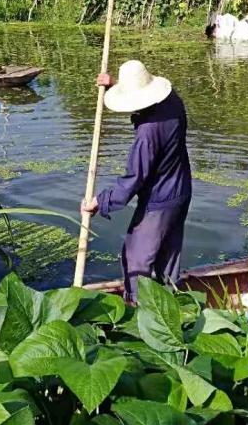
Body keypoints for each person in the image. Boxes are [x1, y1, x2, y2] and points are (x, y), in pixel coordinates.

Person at [81, 60, 192, 303]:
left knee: (136, 258)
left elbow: (135, 177)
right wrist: (114, 85)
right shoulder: (172, 99)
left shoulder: (148, 133)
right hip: (181, 189)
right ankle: (174, 301)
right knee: (168, 255)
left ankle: (136, 308)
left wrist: (101, 200)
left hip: (160, 200)